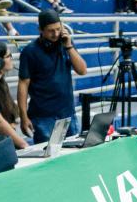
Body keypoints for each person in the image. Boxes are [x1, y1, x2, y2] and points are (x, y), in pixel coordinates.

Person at [18, 11, 86, 143]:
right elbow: (23, 84)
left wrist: (69, 46)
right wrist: (23, 116)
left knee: (73, 154)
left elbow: (82, 70)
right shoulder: (30, 51)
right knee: (49, 157)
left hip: (68, 113)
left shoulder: (66, 44)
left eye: (58, 29)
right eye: (50, 31)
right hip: (43, 117)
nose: (55, 34)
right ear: (40, 30)